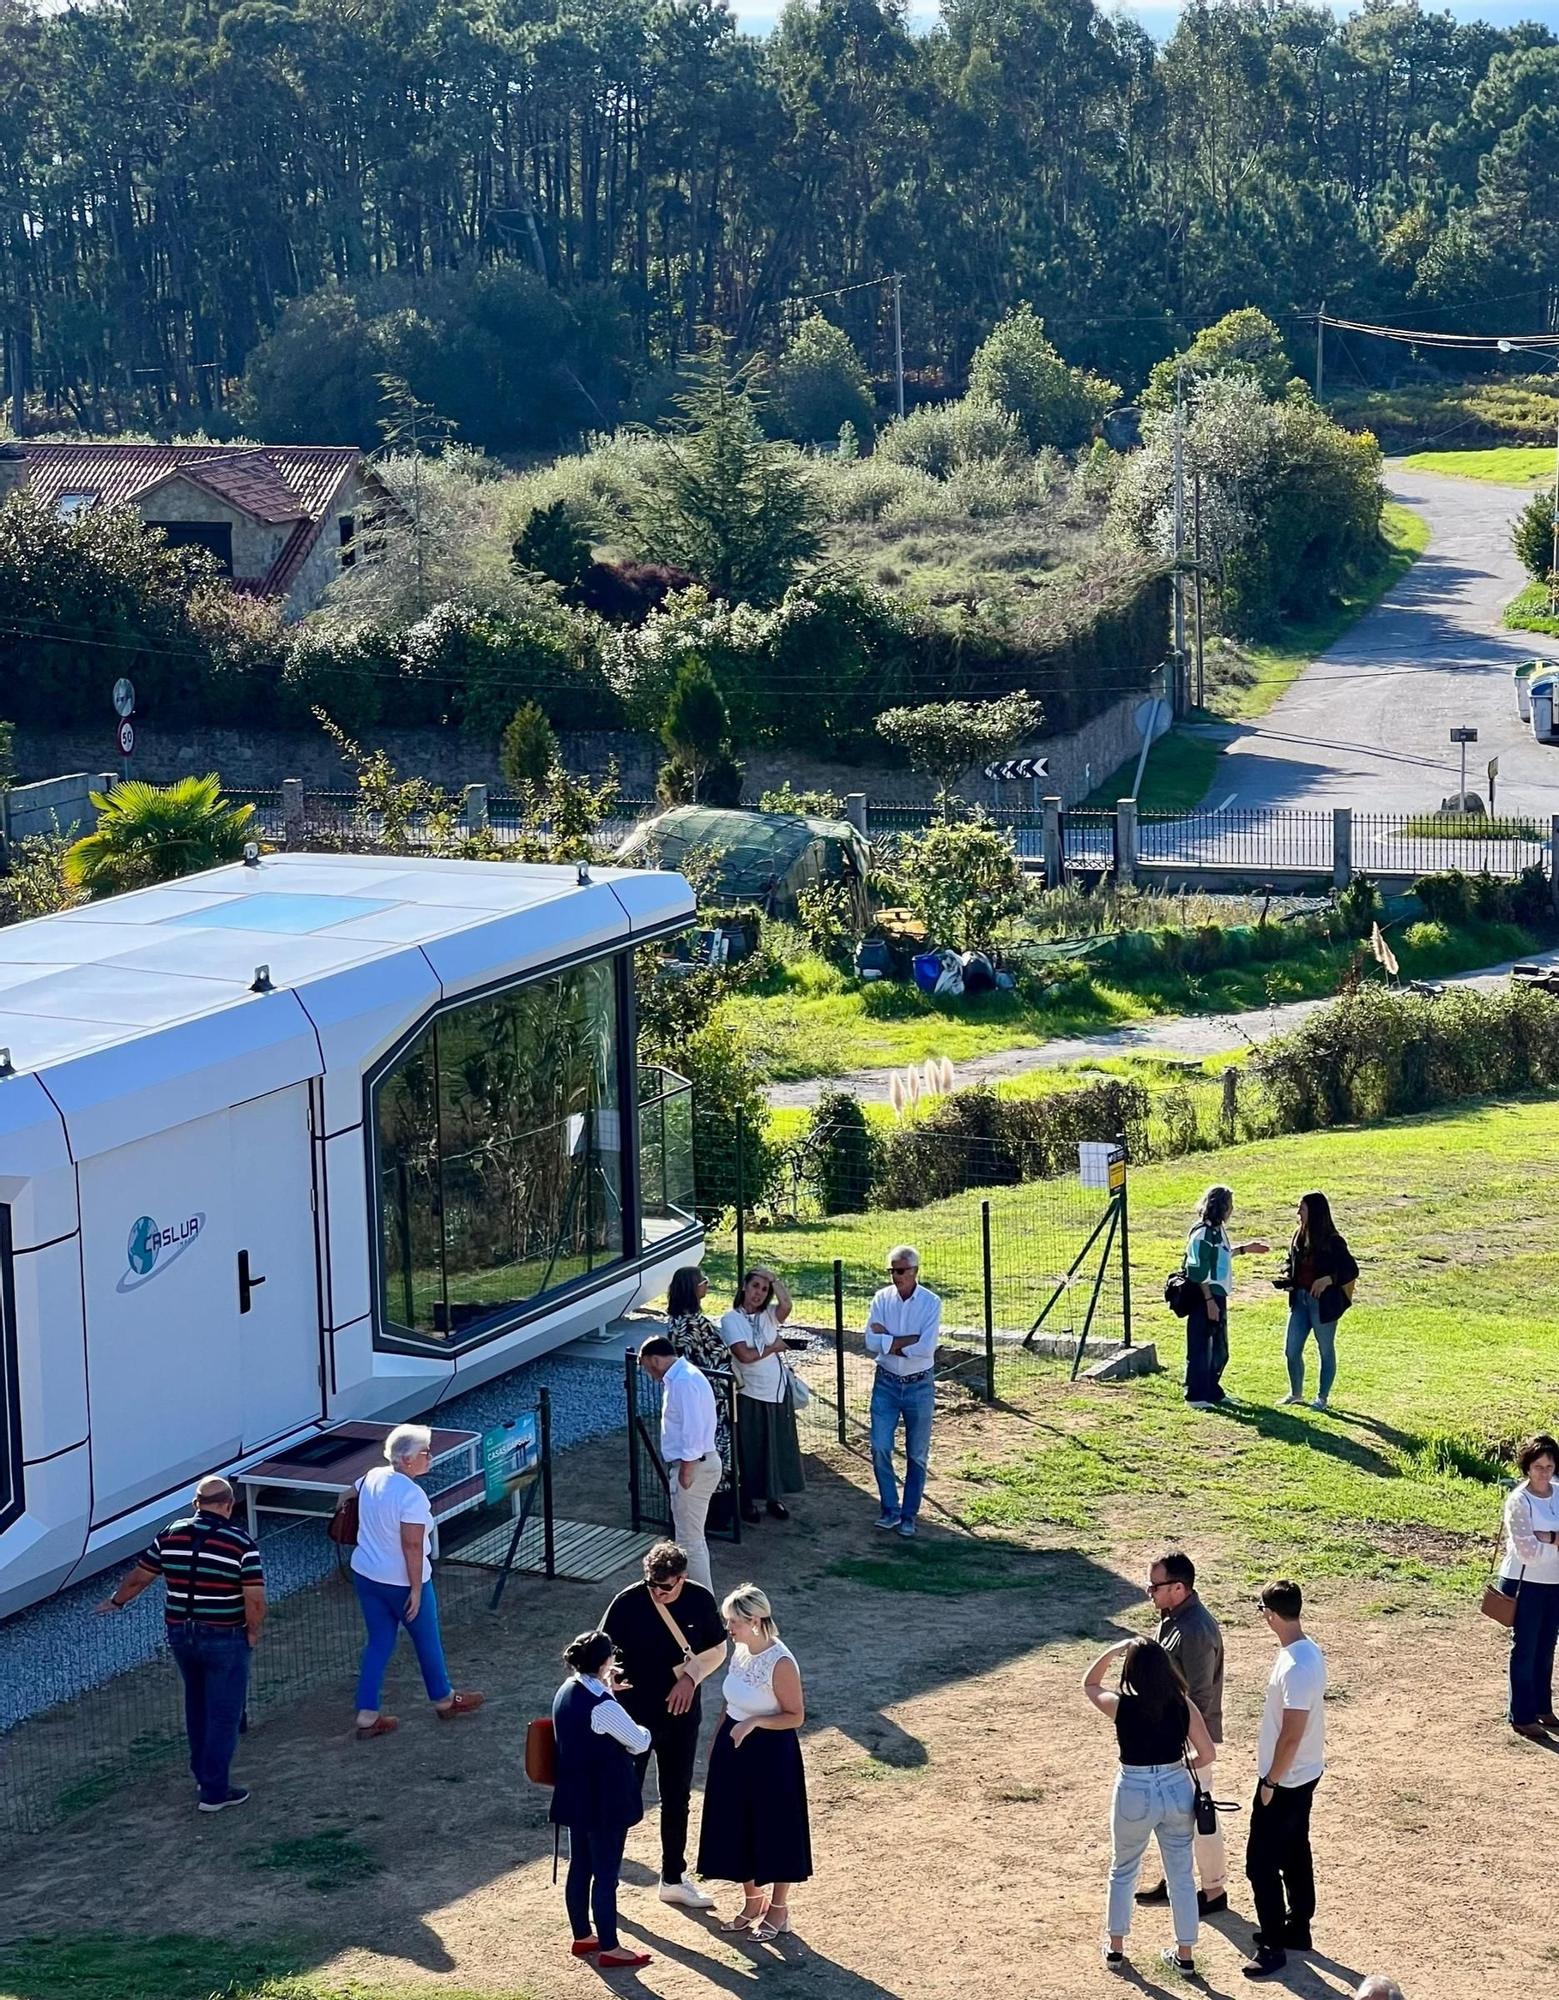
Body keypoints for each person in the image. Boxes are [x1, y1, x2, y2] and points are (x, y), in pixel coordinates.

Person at [95, 1475, 265, 1812]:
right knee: (224, 1713)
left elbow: (140, 1577)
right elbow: (255, 1600)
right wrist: (252, 1632)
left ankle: (202, 1774)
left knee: (197, 1704)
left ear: (195, 1504)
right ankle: (214, 1791)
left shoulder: (171, 1534)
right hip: (224, 1634)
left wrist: (116, 1602)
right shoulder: (240, 1543)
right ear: (229, 1505)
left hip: (180, 1633)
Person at [601, 1540, 729, 1909]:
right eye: (651, 1585)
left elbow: (717, 1649)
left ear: (683, 1578)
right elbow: (603, 1651)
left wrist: (690, 1678)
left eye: (666, 1587)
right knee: (624, 1798)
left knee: (677, 1797)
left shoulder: (700, 1600)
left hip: (680, 1716)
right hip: (633, 1718)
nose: (657, 1593)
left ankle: (673, 1877)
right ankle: (606, 1879)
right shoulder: (627, 1601)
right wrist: (613, 1674)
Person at [1084, 1636, 1215, 1977]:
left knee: (1123, 1868)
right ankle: (1185, 1953)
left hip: (1134, 1788)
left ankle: (1116, 1947)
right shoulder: (1182, 1704)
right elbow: (1207, 1754)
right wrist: (1180, 1764)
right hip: (1174, 1787)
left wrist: (1114, 1650)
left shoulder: (1121, 1705)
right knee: (1181, 1875)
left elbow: (1090, 1683)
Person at [348, 1423, 484, 1740]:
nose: (430, 1457)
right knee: (427, 1640)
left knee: (379, 1642)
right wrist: (416, 1589)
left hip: (367, 1575)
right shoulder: (412, 1495)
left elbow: (349, 1494)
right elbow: (412, 1545)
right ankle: (444, 1699)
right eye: (425, 1452)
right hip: (401, 1581)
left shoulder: (372, 1476)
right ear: (407, 1460)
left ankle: (367, 1714)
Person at [697, 1583, 811, 1940]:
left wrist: (756, 1722)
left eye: (734, 1622)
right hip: (735, 1746)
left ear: (756, 1620)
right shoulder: (742, 1651)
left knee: (775, 1828)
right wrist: (718, 1741)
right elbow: (729, 1703)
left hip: (771, 1754)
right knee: (735, 1824)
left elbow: (795, 1716)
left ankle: (778, 1911)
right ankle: (752, 1901)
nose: (728, 1629)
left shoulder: (780, 1662)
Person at [550, 1629, 654, 1970]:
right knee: (606, 1873)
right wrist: (645, 1729)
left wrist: (609, 1691)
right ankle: (610, 1945)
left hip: (574, 1794)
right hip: (605, 1799)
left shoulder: (567, 1690)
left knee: (580, 1866)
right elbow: (638, 1742)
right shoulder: (603, 1705)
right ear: (606, 1662)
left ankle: (583, 1936)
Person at [1243, 1579, 1326, 1981]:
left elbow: (1291, 1733)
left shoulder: (1294, 1666)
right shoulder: (1307, 1650)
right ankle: (1299, 1927)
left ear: (1271, 1615)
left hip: (1287, 1780)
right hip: (1305, 1774)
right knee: (1295, 1852)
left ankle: (1273, 1944)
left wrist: (1270, 1782)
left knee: (1260, 1865)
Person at [1136, 1551, 1227, 1913]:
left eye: (1155, 1586)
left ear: (1178, 1587)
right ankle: (1178, 1880)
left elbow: (1201, 1694)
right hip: (1171, 1734)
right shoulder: (1171, 1618)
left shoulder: (1196, 1629)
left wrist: (1191, 1742)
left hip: (1190, 1738)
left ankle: (1214, 1891)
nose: (1149, 1592)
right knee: (1174, 1815)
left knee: (1200, 1813)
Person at [864, 1244, 942, 1538]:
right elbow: (871, 1341)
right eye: (892, 1271)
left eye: (900, 1271)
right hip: (885, 1382)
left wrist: (890, 1341)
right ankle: (889, 1509)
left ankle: (909, 1514)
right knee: (880, 1446)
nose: (895, 1276)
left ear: (914, 1271)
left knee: (916, 1454)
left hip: (919, 1384)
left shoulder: (930, 1302)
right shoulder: (881, 1299)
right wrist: (903, 1341)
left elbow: (926, 1348)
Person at [637, 1335, 722, 1590]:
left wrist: (687, 1469)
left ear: (654, 1359)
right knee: (692, 1539)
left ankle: (703, 1603)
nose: (648, 1373)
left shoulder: (683, 1381)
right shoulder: (684, 1376)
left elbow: (693, 1430)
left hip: (694, 1467)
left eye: (646, 1366)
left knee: (689, 1542)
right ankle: (695, 1599)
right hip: (700, 1463)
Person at [720, 1268, 804, 1526]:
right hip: (751, 1393)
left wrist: (773, 1279)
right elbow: (744, 1354)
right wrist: (775, 1347)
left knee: (776, 1447)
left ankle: (773, 1497)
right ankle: (747, 1499)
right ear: (745, 1287)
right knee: (751, 1448)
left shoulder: (769, 1316)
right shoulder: (731, 1319)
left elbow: (787, 1304)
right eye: (755, 1286)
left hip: (777, 1392)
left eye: (764, 1290)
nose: (759, 1293)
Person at [1184, 1185, 1269, 1409]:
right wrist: (1209, 1301)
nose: (1232, 1210)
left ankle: (1212, 1390)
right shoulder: (1202, 1232)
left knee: (1218, 1346)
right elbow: (1197, 1269)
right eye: (1230, 1205)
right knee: (1201, 1346)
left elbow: (1219, 1255)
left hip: (1218, 1295)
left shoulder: (1218, 1230)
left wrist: (1244, 1249)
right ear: (1221, 1206)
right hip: (1206, 1297)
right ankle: (1195, 1396)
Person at [1498, 1433, 1559, 1740]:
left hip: (1555, 1583)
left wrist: (1544, 1536)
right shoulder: (1518, 1501)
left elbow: (1538, 1543)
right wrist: (1554, 1540)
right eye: (1538, 1466)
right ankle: (1521, 1714)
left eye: (1549, 1466)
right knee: (1526, 1648)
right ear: (1527, 1467)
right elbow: (1528, 1552)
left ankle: (1542, 1707)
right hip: (1526, 1584)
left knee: (1547, 1647)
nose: (1543, 1473)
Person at [1278, 1191, 1359, 1411]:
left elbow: (1351, 1269)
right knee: (1291, 1350)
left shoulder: (1333, 1241)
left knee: (1325, 1349)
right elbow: (1290, 1261)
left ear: (1313, 1212)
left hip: (1323, 1303)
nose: (1298, 1213)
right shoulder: (1298, 1235)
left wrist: (1329, 1279)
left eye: (1301, 1209)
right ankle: (1296, 1394)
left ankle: (1322, 1397)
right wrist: (1287, 1276)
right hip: (1300, 1301)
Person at [665, 1265, 735, 1497]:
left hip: (712, 1395)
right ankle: (715, 1504)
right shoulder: (690, 1324)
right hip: (713, 1397)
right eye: (704, 1281)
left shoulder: (680, 1322)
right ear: (693, 1288)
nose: (708, 1284)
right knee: (712, 1451)